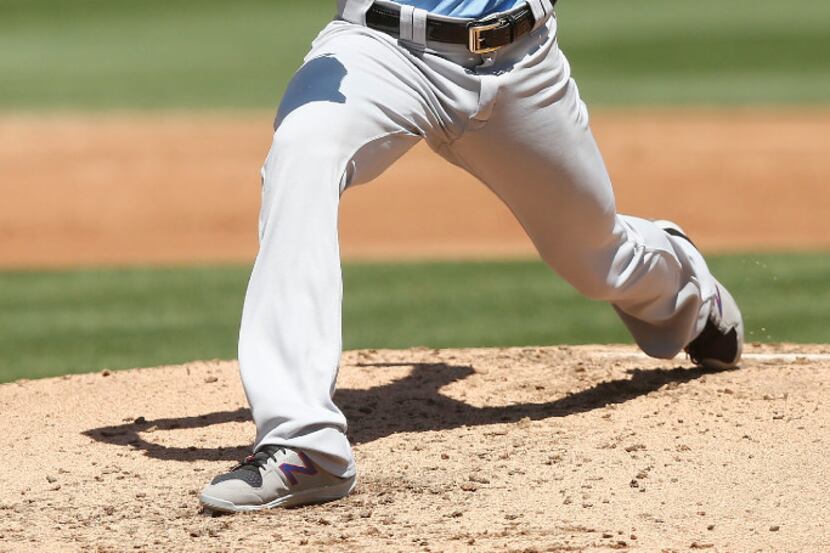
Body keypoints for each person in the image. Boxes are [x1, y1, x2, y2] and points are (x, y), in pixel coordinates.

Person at [199, 0, 744, 513]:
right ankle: (303, 443)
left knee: (597, 258)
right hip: (380, 51)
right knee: (302, 152)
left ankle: (687, 293)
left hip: (521, 58)